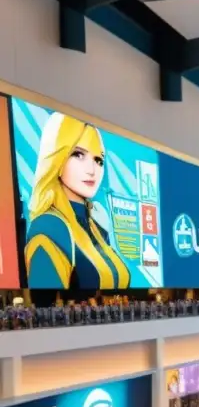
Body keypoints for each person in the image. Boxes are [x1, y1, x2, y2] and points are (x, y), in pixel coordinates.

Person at [23, 111, 132, 290]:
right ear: (57, 156)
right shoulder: (48, 226)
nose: (92, 169)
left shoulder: (97, 227)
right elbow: (46, 302)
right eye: (78, 155)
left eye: (98, 160)